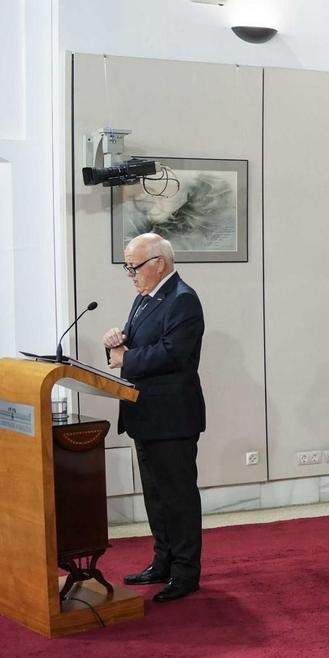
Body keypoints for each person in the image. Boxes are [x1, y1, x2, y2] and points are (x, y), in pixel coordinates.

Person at [103, 233, 207, 602]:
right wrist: (116, 341)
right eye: (127, 266)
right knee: (156, 497)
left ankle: (185, 572)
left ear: (158, 263)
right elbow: (135, 347)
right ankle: (163, 561)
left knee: (177, 498)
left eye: (134, 266)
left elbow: (172, 354)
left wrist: (124, 357)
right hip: (145, 414)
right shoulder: (143, 299)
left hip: (172, 416)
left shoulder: (183, 300)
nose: (129, 273)